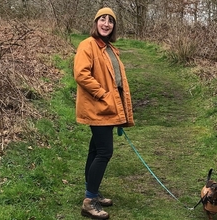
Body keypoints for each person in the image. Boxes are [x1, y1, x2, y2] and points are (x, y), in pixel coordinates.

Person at [73, 7, 134, 219]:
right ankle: (89, 201)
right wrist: (102, 94)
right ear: (96, 22)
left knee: (95, 150)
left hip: (108, 107)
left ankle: (93, 191)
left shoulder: (109, 48)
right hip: (97, 107)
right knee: (105, 152)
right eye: (102, 19)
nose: (106, 24)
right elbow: (81, 74)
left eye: (110, 21)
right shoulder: (87, 45)